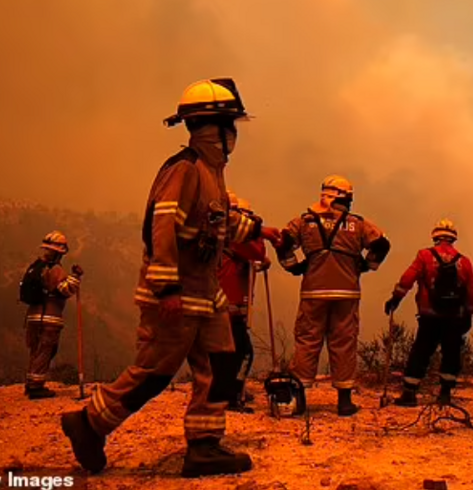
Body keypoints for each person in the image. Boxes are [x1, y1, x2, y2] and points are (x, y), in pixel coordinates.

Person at [59, 78, 282, 478]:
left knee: (222, 365)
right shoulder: (184, 169)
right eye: (229, 124)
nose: (233, 135)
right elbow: (161, 227)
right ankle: (89, 424)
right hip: (178, 294)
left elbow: (213, 223)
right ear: (211, 127)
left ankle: (204, 447)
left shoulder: (213, 173)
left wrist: (258, 230)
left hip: (206, 295)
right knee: (155, 372)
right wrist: (166, 289)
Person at [275, 174, 391, 417]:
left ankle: (299, 400)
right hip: (347, 293)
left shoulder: (304, 222)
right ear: (346, 198)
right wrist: (366, 266)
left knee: (307, 341)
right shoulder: (358, 224)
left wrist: (293, 266)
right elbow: (382, 245)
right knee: (344, 343)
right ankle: (344, 402)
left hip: (313, 292)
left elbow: (282, 241)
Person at [384, 218, 473, 407]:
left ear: (434, 236)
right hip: (454, 316)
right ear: (454, 238)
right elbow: (471, 290)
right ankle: (445, 394)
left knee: (421, 351)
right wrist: (469, 313)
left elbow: (408, 278)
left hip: (429, 314)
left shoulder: (425, 256)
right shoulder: (464, 261)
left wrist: (395, 299)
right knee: (451, 352)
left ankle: (410, 393)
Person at [209, 192, 270, 412]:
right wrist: (257, 232)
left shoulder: (219, 235)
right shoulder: (233, 236)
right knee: (241, 353)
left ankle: (225, 392)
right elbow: (257, 251)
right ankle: (230, 395)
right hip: (228, 307)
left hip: (227, 305)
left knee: (224, 354)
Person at [21, 230, 82, 399]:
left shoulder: (36, 266)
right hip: (49, 318)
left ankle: (30, 382)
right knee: (45, 350)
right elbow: (65, 290)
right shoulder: (54, 269)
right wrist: (75, 277)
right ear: (60, 252)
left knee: (35, 350)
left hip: (32, 318)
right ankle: (36, 387)